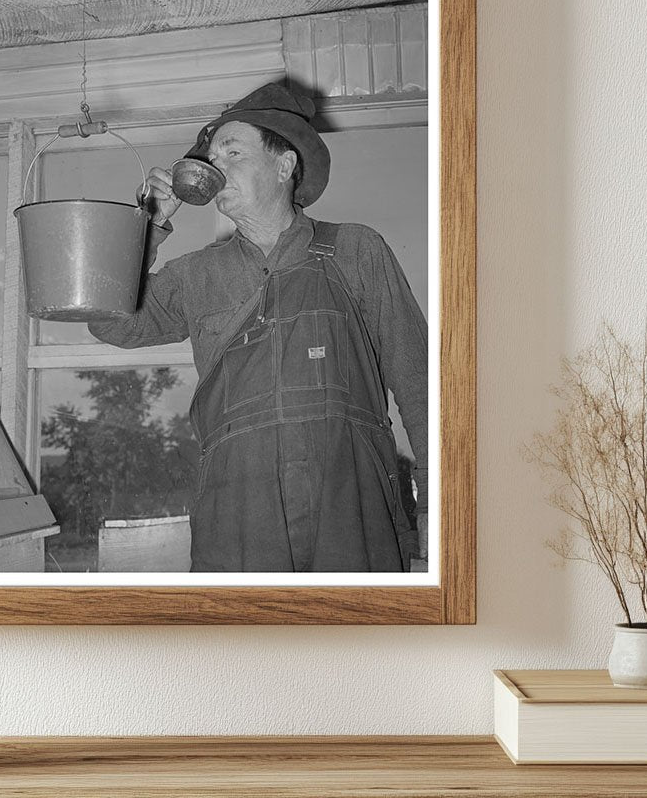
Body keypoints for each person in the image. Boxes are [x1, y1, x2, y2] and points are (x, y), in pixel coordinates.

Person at [87, 82, 427, 573]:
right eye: (212, 156)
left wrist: (437, 504)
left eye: (233, 151)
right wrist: (147, 227)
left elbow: (420, 383)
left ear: (284, 165)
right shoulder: (196, 275)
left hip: (352, 508)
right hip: (239, 517)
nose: (215, 166)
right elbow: (108, 321)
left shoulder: (357, 251)